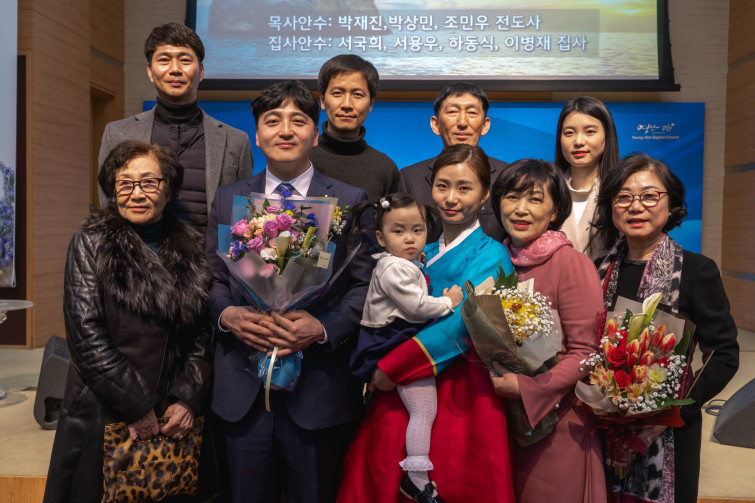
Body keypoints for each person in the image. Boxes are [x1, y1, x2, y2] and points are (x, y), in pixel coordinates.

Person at [205, 80, 374, 503]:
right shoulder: (228, 198)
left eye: (298, 121)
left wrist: (323, 327)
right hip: (242, 386)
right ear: (257, 134)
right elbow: (211, 277)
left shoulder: (349, 199)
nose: (285, 130)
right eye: (272, 121)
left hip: (318, 388)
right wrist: (227, 315)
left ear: (315, 135)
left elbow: (364, 285)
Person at [338, 144, 516, 503]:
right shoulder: (423, 251)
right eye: (442, 186)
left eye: (464, 188)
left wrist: (392, 367)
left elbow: (464, 323)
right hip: (408, 379)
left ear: (484, 194)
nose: (451, 198)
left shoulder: (493, 253)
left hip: (456, 383)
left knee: (456, 476)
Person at [43, 140, 213, 503]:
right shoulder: (90, 244)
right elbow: (86, 337)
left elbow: (202, 332)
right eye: (125, 183)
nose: (136, 193)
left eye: (149, 182)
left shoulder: (191, 248)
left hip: (174, 413)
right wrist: (136, 405)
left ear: (168, 190)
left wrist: (188, 396)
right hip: (107, 408)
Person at [593, 153, 739, 503]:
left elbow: (723, 353)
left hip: (669, 431)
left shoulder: (696, 270)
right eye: (623, 197)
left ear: (671, 204)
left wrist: (675, 407)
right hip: (601, 428)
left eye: (649, 196)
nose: (635, 206)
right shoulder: (596, 269)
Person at [489, 159, 606, 503]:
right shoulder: (493, 261)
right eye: (512, 196)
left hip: (557, 423)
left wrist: (530, 387)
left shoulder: (571, 263)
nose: (520, 208)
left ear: (555, 211)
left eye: (535, 199)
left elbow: (586, 353)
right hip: (500, 420)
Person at [349, 192, 464, 499]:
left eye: (417, 230)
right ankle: (416, 477)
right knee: (423, 410)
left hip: (393, 336)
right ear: (381, 238)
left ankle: (417, 476)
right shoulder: (394, 268)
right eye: (398, 231)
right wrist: (448, 303)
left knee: (424, 409)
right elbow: (416, 306)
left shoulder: (401, 263)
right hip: (389, 340)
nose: (410, 238)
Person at [98, 22, 253, 233]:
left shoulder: (236, 140)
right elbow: (108, 207)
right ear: (150, 71)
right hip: (138, 251)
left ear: (201, 71)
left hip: (208, 253)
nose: (175, 69)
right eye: (164, 60)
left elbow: (242, 216)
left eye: (185, 60)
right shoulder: (117, 134)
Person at [399, 82, 508, 242]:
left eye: (472, 113)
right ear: (436, 124)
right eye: (452, 112)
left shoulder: (507, 177)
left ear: (485, 125)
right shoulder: (409, 178)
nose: (462, 122)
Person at [311, 54, 400, 201]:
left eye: (358, 95)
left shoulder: (385, 168)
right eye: (337, 93)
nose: (347, 104)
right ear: (322, 100)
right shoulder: (302, 159)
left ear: (371, 104)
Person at [554, 96, 620, 260]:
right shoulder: (548, 189)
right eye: (569, 133)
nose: (578, 141)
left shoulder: (621, 191)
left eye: (590, 132)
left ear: (607, 135)